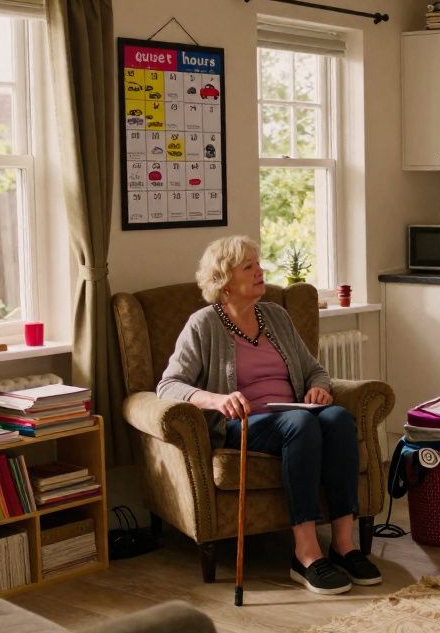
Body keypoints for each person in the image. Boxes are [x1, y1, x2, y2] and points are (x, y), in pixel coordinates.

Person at [157, 235, 379, 596]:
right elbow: (168, 386)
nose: (260, 271)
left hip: (295, 414)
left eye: (258, 264)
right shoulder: (204, 324)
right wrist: (217, 399)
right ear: (225, 282)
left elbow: (314, 369)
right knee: (301, 423)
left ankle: (344, 546)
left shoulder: (276, 316)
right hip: (243, 423)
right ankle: (305, 553)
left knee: (337, 418)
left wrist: (318, 388)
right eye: (249, 267)